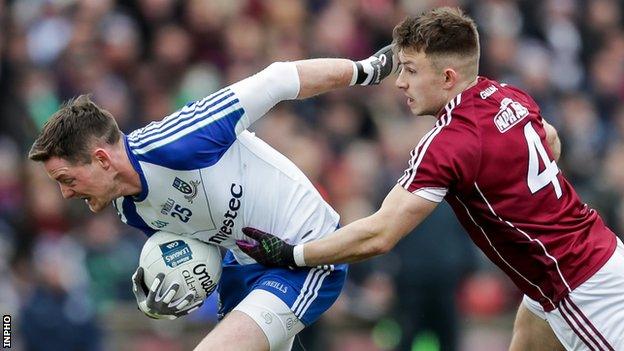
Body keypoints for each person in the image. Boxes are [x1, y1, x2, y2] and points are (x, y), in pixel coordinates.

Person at [236, 7, 624, 351]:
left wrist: (292, 254)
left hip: (581, 289)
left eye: (410, 70)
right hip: (571, 270)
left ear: (448, 77)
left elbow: (379, 235)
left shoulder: (449, 143)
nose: (400, 82)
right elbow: (550, 140)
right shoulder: (510, 95)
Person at [27, 46, 397, 350]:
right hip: (245, 268)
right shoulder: (128, 208)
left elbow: (280, 78)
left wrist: (367, 69)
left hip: (308, 253)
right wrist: (164, 293)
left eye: (66, 178)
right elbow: (195, 252)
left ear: (102, 159)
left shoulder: (181, 140)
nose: (65, 193)